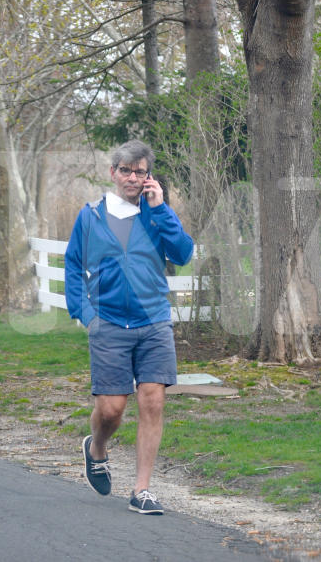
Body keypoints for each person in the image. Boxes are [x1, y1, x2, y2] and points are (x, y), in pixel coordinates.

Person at [64, 140, 194, 515]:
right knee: (111, 411)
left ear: (148, 176)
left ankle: (142, 490)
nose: (132, 178)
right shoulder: (91, 215)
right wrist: (85, 313)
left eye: (140, 172)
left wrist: (162, 208)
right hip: (109, 325)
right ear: (113, 173)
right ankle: (97, 449)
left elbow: (183, 254)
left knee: (152, 401)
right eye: (126, 171)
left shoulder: (157, 214)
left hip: (153, 322)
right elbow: (73, 265)